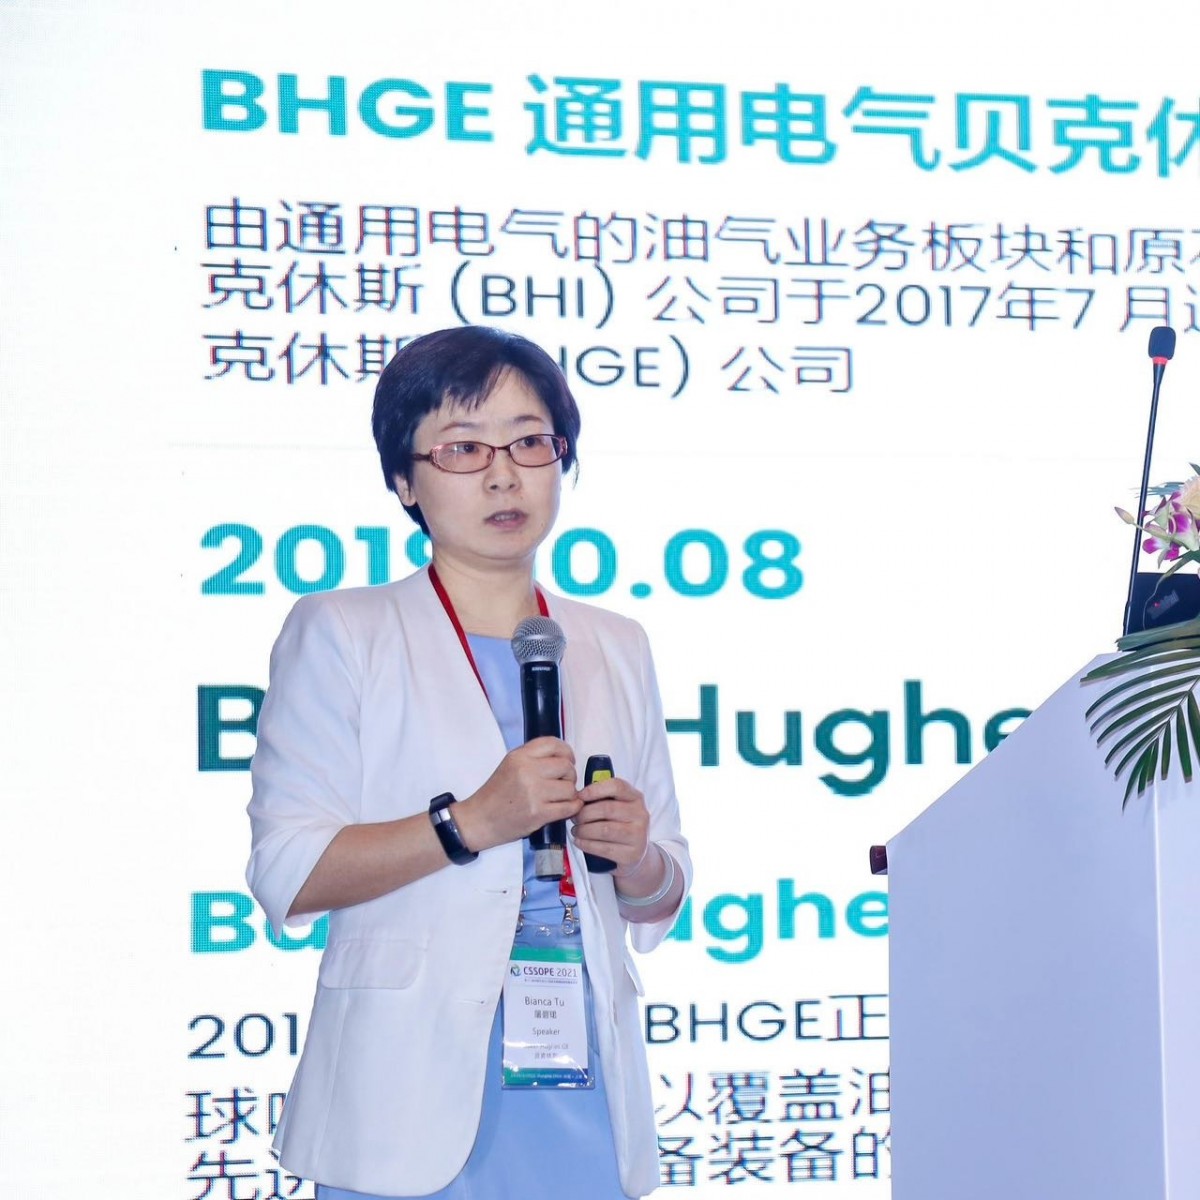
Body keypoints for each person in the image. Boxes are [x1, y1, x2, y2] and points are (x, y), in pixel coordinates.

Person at [246, 325, 691, 1199]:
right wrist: (471, 823)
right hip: (405, 1092)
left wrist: (635, 855)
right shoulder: (344, 631)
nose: (503, 474)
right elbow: (287, 873)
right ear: (404, 481)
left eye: (530, 442)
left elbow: (661, 891)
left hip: (580, 1073)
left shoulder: (616, 643)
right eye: (462, 448)